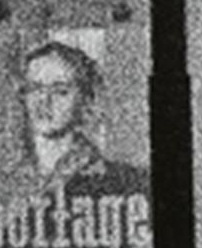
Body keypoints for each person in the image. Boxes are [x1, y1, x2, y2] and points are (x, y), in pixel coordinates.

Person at [13, 39, 125, 183]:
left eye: (60, 91)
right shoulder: (7, 176)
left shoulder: (110, 177)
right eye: (35, 89)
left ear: (85, 99)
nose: (44, 101)